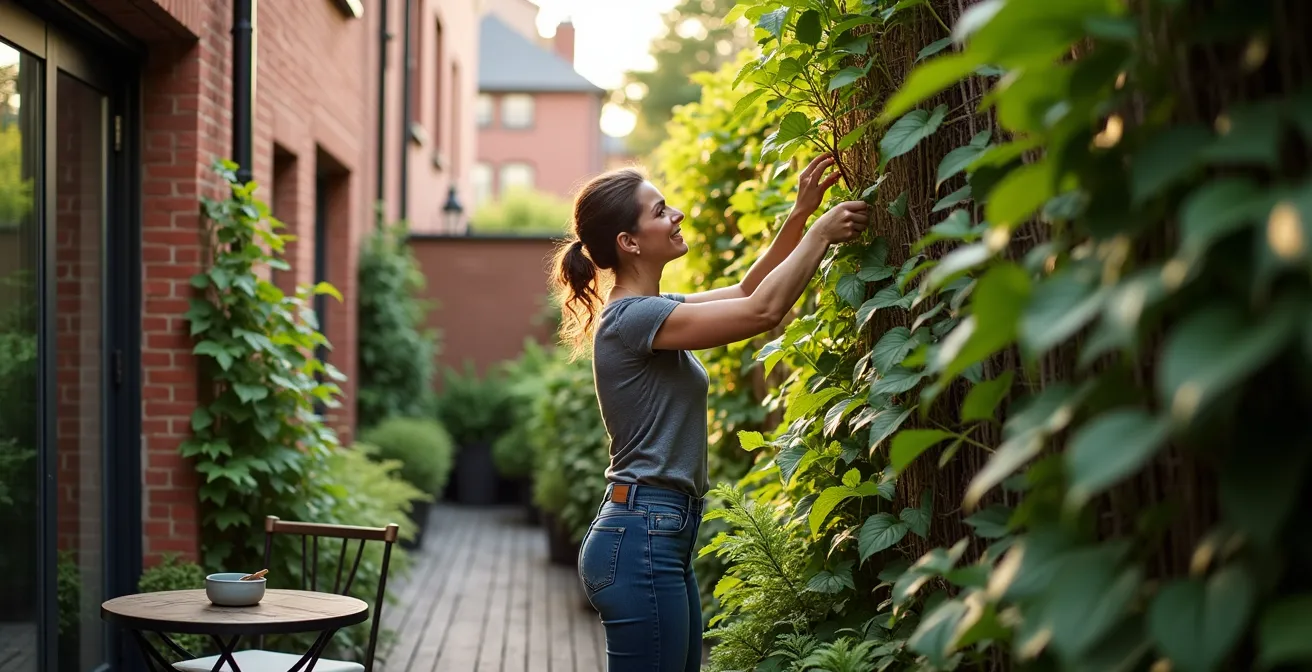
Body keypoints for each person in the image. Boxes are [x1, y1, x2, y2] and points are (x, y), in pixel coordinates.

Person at [554, 154, 868, 671]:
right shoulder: (635, 318)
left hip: (656, 534)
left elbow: (747, 290)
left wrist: (799, 216)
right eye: (659, 211)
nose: (676, 214)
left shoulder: (654, 309)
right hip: (642, 537)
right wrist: (821, 236)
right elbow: (762, 311)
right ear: (629, 243)